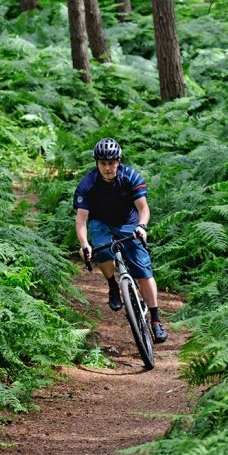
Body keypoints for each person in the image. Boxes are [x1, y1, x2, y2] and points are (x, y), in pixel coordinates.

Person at [74, 137, 169, 343]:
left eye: (111, 163)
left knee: (144, 272)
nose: (108, 168)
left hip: (129, 222)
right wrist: (84, 244)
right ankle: (113, 286)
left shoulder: (130, 176)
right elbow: (82, 219)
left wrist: (142, 227)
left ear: (118, 161)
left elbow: (143, 208)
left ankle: (155, 320)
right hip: (101, 223)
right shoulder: (88, 183)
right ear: (97, 164)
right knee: (101, 250)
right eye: (103, 163)